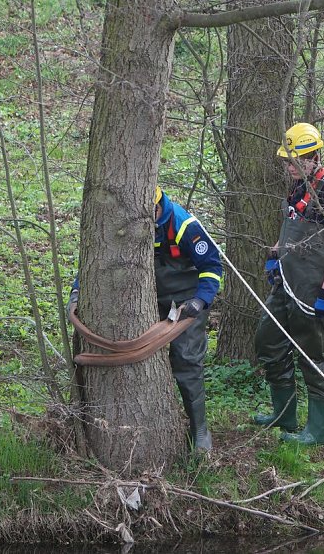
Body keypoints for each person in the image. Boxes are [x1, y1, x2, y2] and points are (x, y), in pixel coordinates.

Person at [69, 186, 223, 453]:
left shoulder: (184, 225)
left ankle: (200, 431)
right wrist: (77, 290)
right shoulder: (121, 222)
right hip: (145, 299)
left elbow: (212, 266)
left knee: (186, 361)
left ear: (156, 206)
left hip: (185, 301)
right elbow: (97, 261)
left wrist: (200, 300)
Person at [253, 122, 324, 446]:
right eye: (287, 162)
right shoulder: (297, 187)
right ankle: (284, 416)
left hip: (313, 290)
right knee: (268, 340)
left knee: (315, 358)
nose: (289, 167)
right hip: (287, 283)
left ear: (312, 157)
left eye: (294, 161)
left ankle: (317, 431)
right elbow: (291, 228)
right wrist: (274, 255)